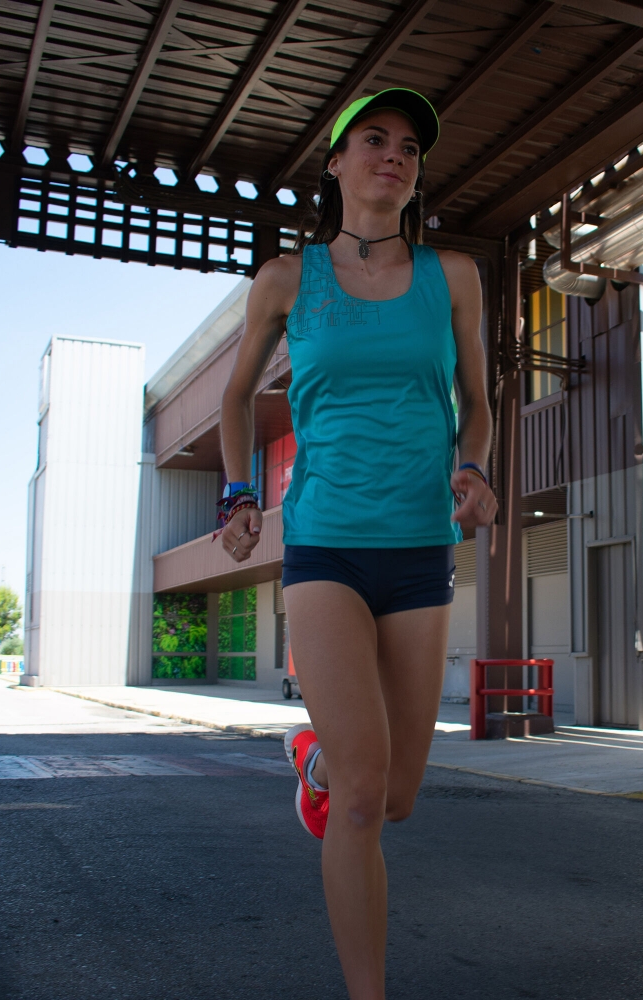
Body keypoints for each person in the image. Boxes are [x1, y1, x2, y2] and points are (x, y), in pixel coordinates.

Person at [217, 88, 497, 1000]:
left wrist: (476, 468)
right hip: (327, 545)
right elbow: (234, 399)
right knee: (367, 802)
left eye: (410, 146)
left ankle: (316, 759)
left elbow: (479, 400)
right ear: (334, 163)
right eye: (373, 140)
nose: (394, 155)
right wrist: (237, 492)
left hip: (419, 549)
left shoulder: (451, 275)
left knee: (398, 794)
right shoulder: (289, 280)